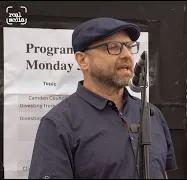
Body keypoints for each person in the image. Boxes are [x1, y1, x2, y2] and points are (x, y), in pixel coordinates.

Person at [28, 17, 177, 179]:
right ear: (83, 60)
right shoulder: (59, 124)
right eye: (113, 47)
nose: (127, 55)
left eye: (129, 46)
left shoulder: (152, 114)